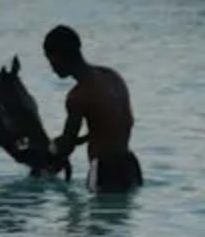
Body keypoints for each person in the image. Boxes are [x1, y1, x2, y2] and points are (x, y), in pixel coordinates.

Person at [42, 25, 141, 191]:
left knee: (94, 216)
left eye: (49, 59)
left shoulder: (78, 95)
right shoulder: (112, 76)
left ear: (58, 56)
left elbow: (67, 143)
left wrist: (50, 149)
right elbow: (121, 123)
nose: (51, 67)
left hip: (105, 171)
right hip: (130, 166)